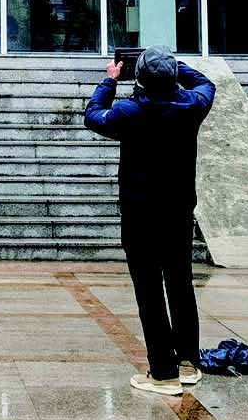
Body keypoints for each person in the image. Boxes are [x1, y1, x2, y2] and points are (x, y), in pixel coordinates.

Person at [83, 46, 216, 396]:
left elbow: (93, 115)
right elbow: (206, 83)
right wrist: (173, 65)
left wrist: (109, 81)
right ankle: (188, 363)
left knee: (149, 290)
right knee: (180, 284)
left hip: (140, 214)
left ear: (140, 78)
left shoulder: (128, 112)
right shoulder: (192, 107)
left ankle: (163, 372)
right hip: (178, 212)